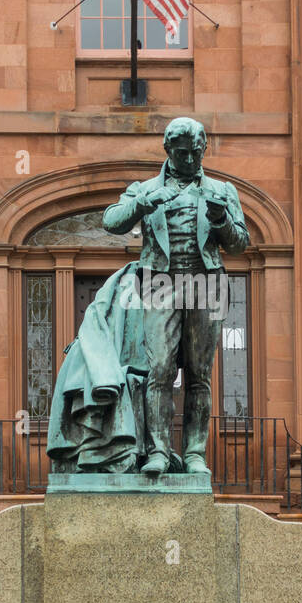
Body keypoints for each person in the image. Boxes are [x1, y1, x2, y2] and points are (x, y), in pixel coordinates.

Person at [101, 117, 249, 475]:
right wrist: (144, 204)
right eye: (181, 153)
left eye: (194, 154)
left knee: (200, 374)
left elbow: (240, 244)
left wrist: (220, 221)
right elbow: (111, 221)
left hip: (206, 283)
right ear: (168, 150)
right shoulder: (145, 188)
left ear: (203, 150)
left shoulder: (222, 191)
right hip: (160, 285)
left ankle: (195, 452)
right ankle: (159, 453)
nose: (188, 161)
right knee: (160, 369)